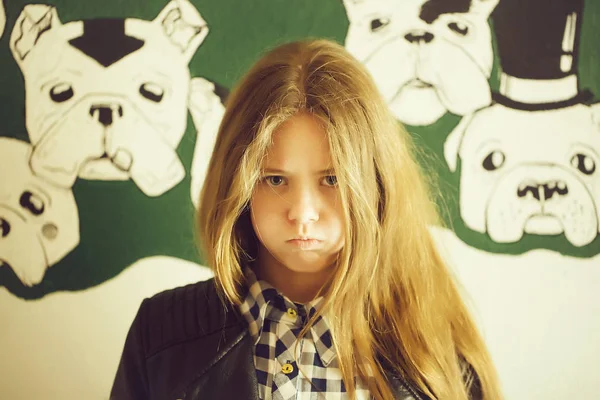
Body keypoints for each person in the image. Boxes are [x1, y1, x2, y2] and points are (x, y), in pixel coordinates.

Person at [110, 39, 502, 400]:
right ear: (238, 184)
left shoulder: (438, 348)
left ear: (377, 182)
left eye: (332, 179)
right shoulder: (160, 333)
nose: (302, 213)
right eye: (275, 179)